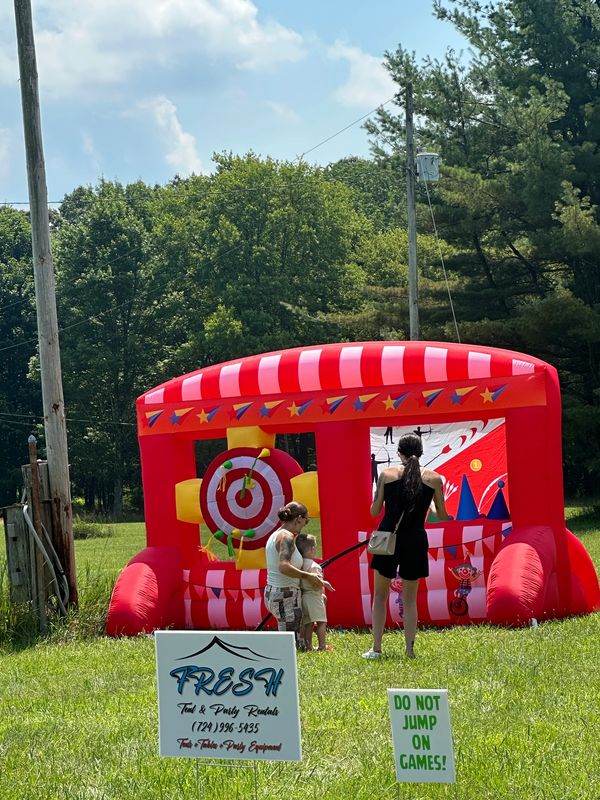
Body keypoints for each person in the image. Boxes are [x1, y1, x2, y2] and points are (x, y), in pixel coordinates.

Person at [363, 433, 451, 660]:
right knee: (410, 599)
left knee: (380, 596)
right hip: (415, 539)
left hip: (388, 539)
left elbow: (374, 511)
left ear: (399, 452)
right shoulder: (434, 479)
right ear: (421, 452)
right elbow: (442, 515)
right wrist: (430, 505)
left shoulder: (387, 474)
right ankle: (409, 651)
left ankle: (376, 648)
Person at [264, 501, 332, 648]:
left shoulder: (275, 534)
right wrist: (309, 576)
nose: (305, 525)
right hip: (285, 595)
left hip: (273, 592)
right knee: (290, 646)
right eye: (306, 521)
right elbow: (284, 567)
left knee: (292, 641)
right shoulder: (287, 537)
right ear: (299, 519)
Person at [296, 533, 333, 651]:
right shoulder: (315, 566)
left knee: (308, 623)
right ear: (312, 549)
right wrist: (322, 591)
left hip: (303, 598)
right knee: (321, 622)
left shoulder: (299, 565)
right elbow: (317, 582)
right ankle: (322, 646)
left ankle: (308, 646)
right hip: (314, 597)